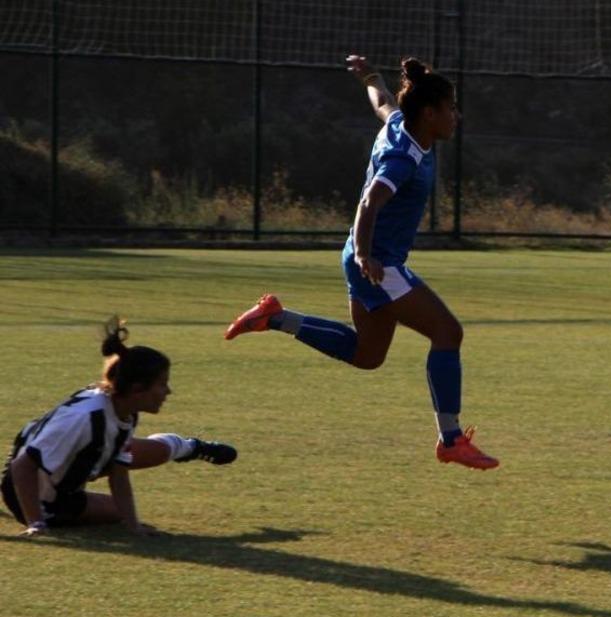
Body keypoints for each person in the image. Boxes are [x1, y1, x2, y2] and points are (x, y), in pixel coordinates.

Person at [224, 55, 498, 471]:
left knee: (367, 355)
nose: (456, 116)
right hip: (377, 263)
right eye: (451, 107)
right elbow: (370, 202)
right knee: (447, 332)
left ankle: (276, 318)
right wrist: (367, 254)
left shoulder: (401, 128)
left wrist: (371, 78)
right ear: (430, 113)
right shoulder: (403, 158)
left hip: (364, 258)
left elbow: (382, 102)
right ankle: (451, 439)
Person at [2, 317, 237, 537]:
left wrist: (133, 526)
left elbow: (119, 471)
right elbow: (22, 466)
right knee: (115, 501)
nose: (168, 391)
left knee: (127, 491)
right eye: (162, 384)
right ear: (136, 388)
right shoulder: (85, 419)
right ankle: (187, 447)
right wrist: (36, 523)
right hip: (33, 494)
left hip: (64, 480)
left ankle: (189, 448)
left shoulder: (123, 410)